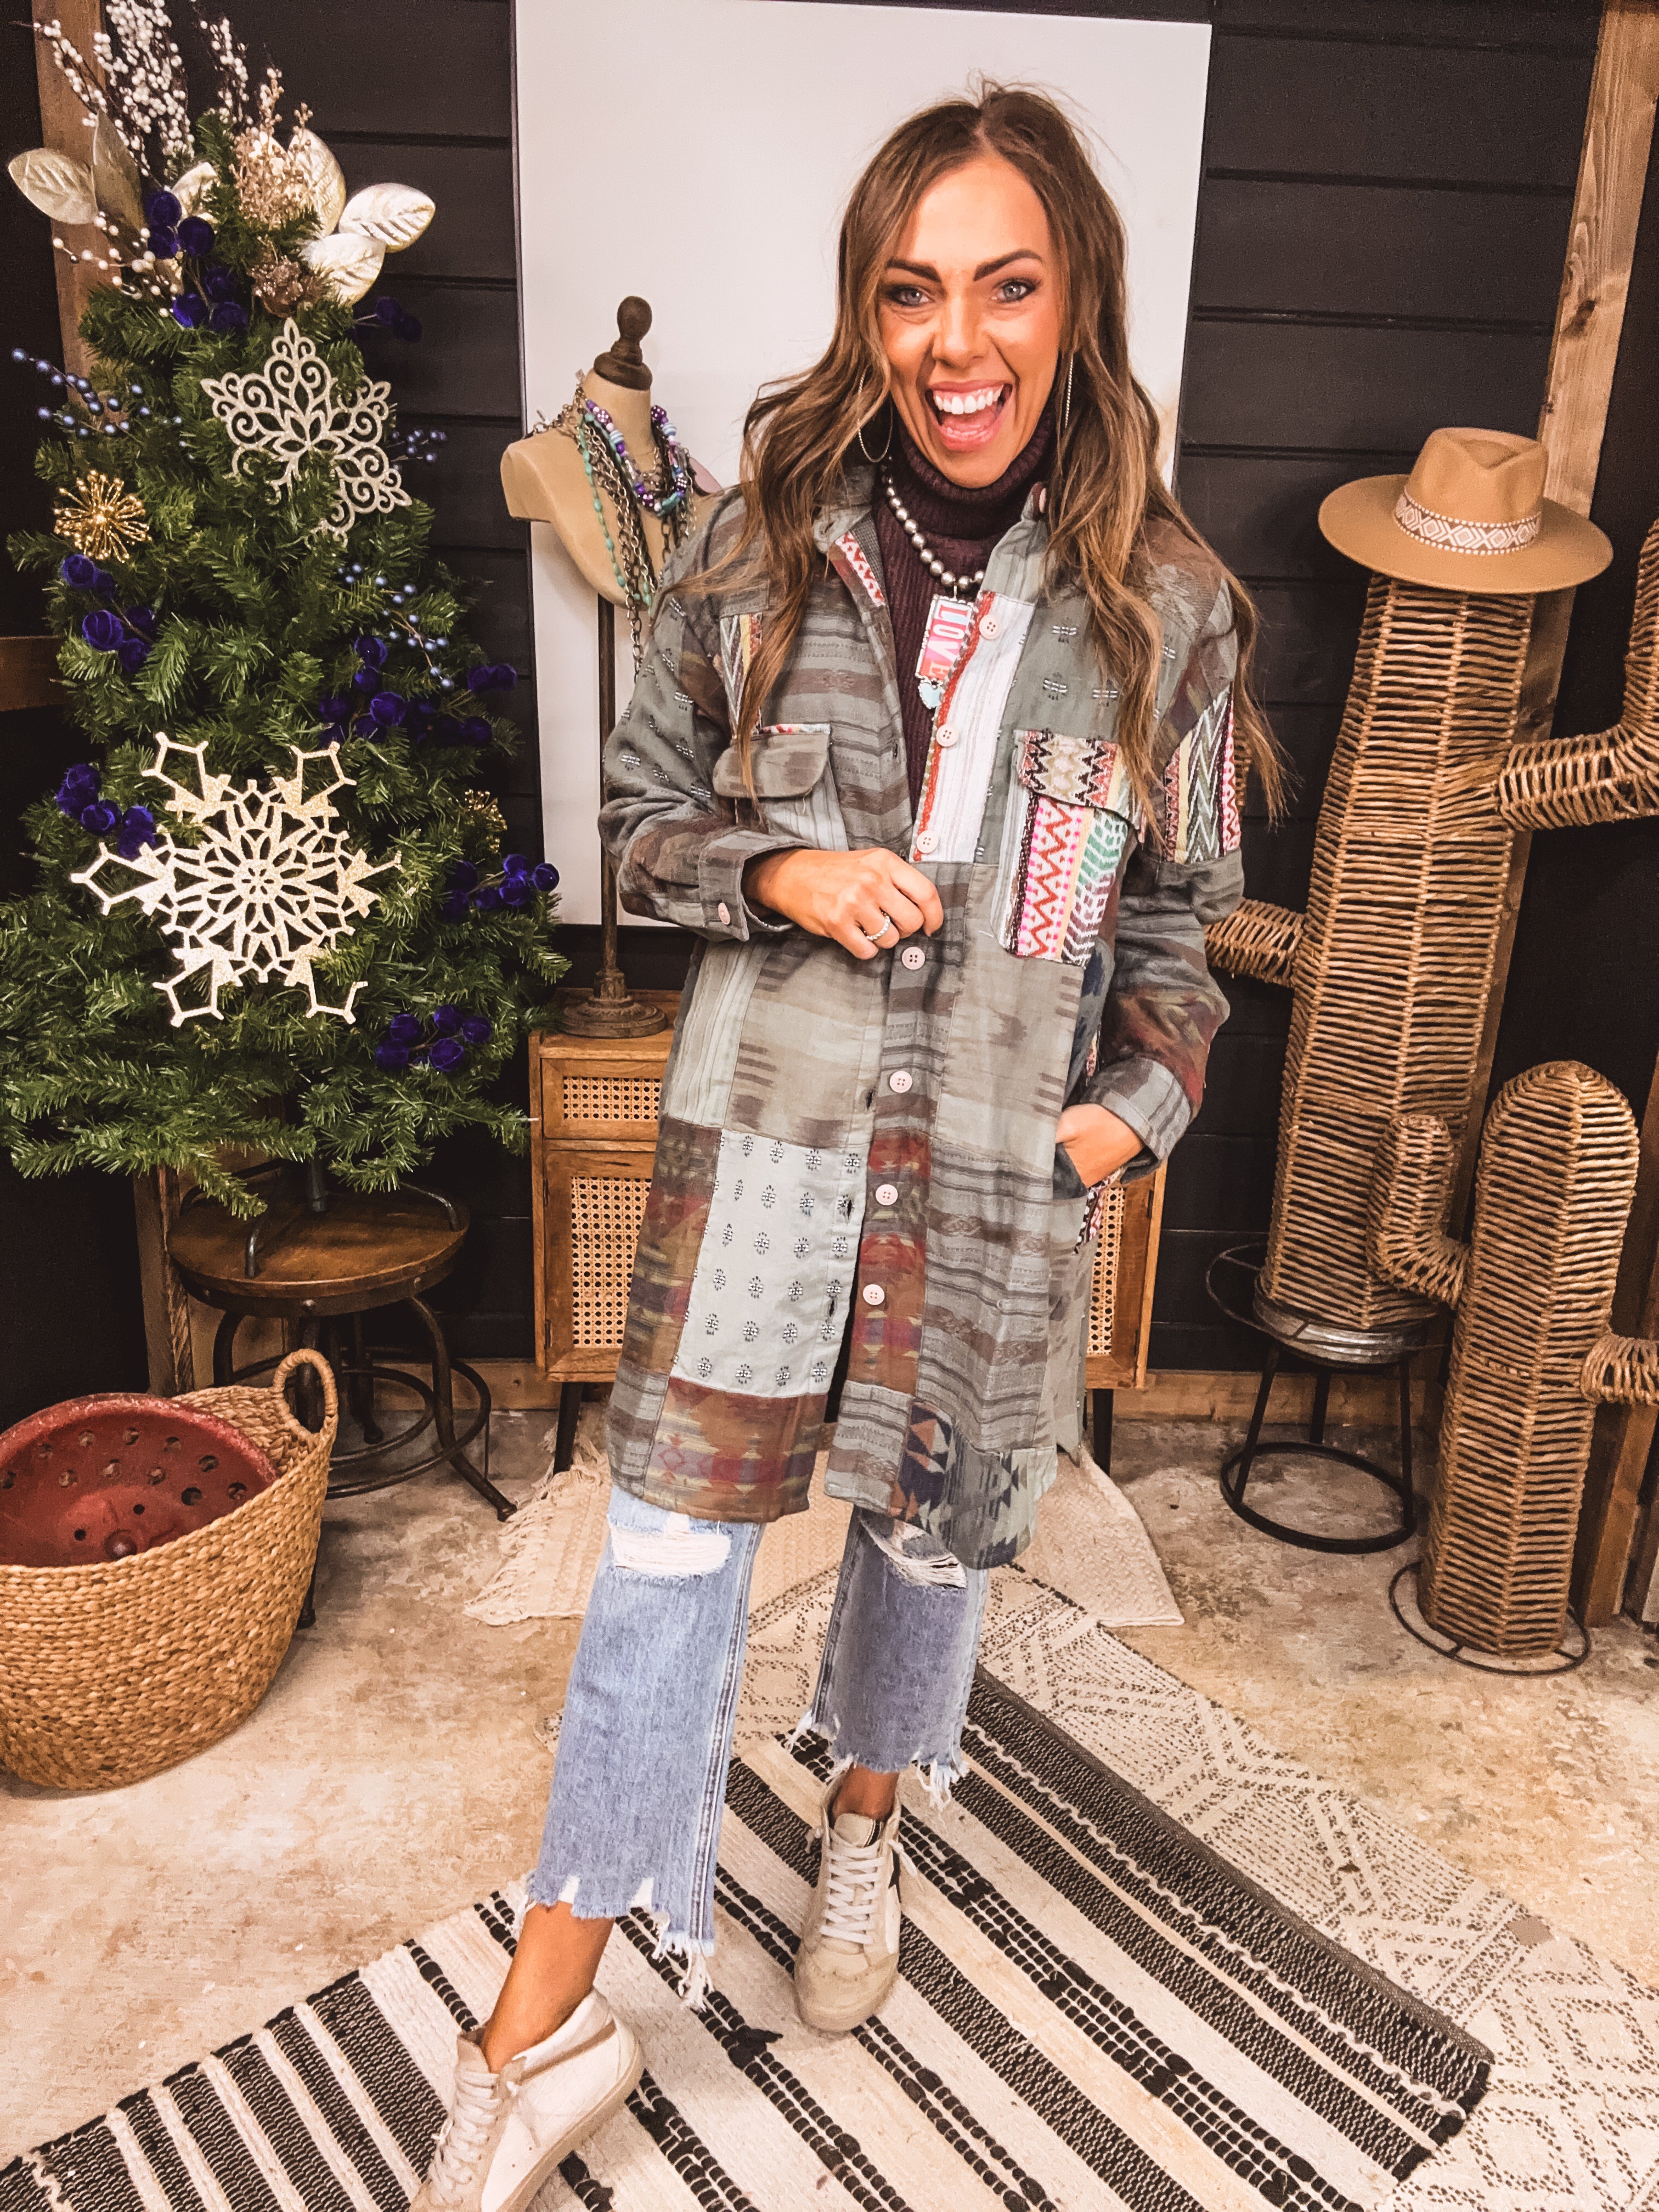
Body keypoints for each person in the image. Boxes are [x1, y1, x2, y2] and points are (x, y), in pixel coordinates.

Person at [415, 82, 1276, 2212]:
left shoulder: (1172, 609)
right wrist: (784, 875)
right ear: (867, 311)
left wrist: (1116, 1125)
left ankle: (865, 1830)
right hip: (768, 1151)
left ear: (1077, 304)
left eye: (1005, 287)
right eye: (911, 292)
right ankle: (543, 2021)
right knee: (663, 1566)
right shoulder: (756, 545)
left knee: (926, 1541)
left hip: (997, 1173)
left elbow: (1188, 930)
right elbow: (633, 825)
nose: (954, 342)